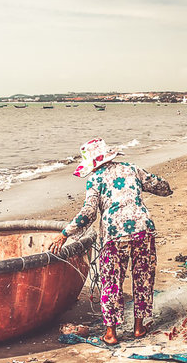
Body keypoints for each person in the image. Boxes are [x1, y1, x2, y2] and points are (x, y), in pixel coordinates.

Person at [48, 138, 173, 344]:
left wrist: (65, 234)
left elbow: (88, 213)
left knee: (111, 282)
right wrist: (167, 191)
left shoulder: (95, 179)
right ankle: (139, 328)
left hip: (115, 234)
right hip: (143, 229)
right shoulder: (131, 168)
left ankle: (111, 334)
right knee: (143, 278)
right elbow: (160, 185)